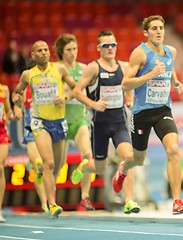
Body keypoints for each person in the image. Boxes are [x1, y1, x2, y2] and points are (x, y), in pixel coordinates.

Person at [121, 15, 183, 215]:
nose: (159, 31)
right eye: (154, 28)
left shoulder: (171, 51)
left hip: (163, 110)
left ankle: (177, 201)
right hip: (142, 112)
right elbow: (125, 83)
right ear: (146, 32)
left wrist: (175, 82)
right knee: (139, 160)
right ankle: (124, 168)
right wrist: (150, 75)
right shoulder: (140, 54)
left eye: (161, 28)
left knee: (174, 150)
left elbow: (168, 71)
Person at [70, 30, 140, 214]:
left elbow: (129, 86)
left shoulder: (123, 67)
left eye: (113, 45)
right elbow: (77, 91)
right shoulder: (93, 68)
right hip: (100, 125)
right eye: (106, 46)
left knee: (129, 158)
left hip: (119, 122)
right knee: (100, 168)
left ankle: (129, 200)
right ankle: (84, 167)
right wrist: (94, 104)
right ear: (99, 48)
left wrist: (130, 98)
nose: (110, 49)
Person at [11, 40, 76, 219]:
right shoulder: (27, 75)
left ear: (50, 52)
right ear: (33, 55)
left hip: (58, 122)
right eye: (39, 50)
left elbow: (75, 88)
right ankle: (52, 203)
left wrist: (66, 97)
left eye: (46, 49)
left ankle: (48, 190)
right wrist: (17, 100)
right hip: (39, 122)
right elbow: (17, 92)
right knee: (49, 163)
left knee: (58, 165)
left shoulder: (60, 70)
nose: (43, 53)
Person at [53, 33, 95, 211]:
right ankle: (51, 199)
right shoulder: (55, 69)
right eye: (69, 50)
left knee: (87, 155)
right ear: (61, 52)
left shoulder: (84, 68)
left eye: (75, 49)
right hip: (60, 120)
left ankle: (85, 198)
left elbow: (86, 91)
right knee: (58, 164)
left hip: (79, 119)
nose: (73, 52)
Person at [13, 83, 49, 215]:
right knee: (38, 164)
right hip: (32, 132)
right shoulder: (26, 89)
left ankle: (48, 200)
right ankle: (44, 204)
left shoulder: (48, 86)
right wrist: (17, 110)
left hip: (47, 132)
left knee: (49, 166)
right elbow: (16, 100)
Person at [0, 83, 14, 223]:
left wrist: (11, 114)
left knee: (0, 168)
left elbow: (7, 111)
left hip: (1, 132)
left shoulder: (4, 89)